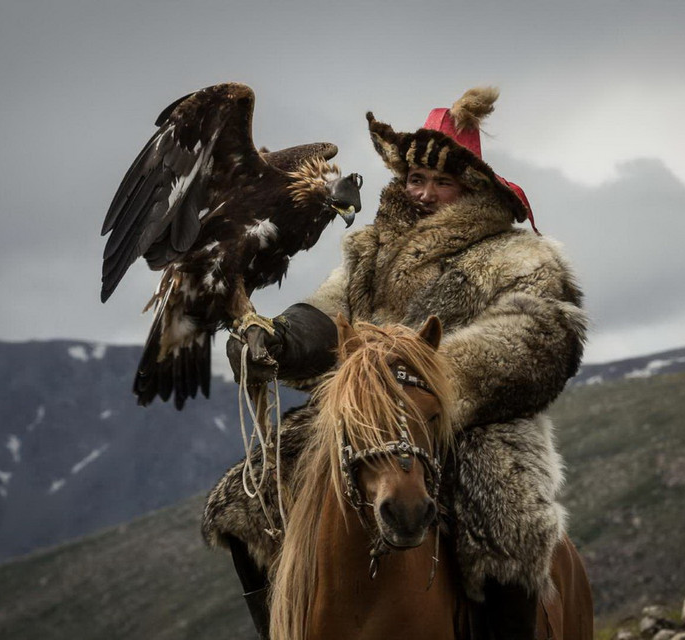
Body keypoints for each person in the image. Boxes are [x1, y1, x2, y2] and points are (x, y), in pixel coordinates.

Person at [202, 87, 587, 639]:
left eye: (442, 182)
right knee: (246, 499)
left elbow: (539, 334)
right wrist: (278, 340)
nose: (425, 193)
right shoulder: (370, 248)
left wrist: (428, 375)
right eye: (416, 179)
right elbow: (330, 310)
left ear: (472, 187)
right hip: (367, 413)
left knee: (508, 519)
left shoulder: (521, 256)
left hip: (469, 419)